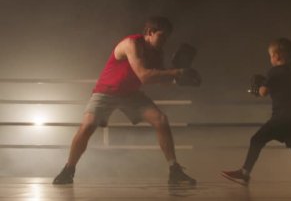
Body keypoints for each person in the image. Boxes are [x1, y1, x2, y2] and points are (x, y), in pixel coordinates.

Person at [53, 16, 198, 185]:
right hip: (105, 92)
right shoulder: (132, 44)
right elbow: (144, 76)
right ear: (150, 32)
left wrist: (178, 79)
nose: (164, 41)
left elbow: (159, 79)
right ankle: (68, 170)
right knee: (87, 126)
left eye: (167, 38)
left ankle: (175, 170)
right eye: (162, 36)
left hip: (130, 94)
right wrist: (177, 73)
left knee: (161, 120)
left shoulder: (157, 52)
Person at [221, 38, 291, 187]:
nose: (270, 59)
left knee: (256, 140)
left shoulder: (274, 71)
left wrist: (260, 85)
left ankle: (244, 174)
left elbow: (262, 92)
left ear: (276, 55)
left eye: (270, 56)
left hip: (281, 118)